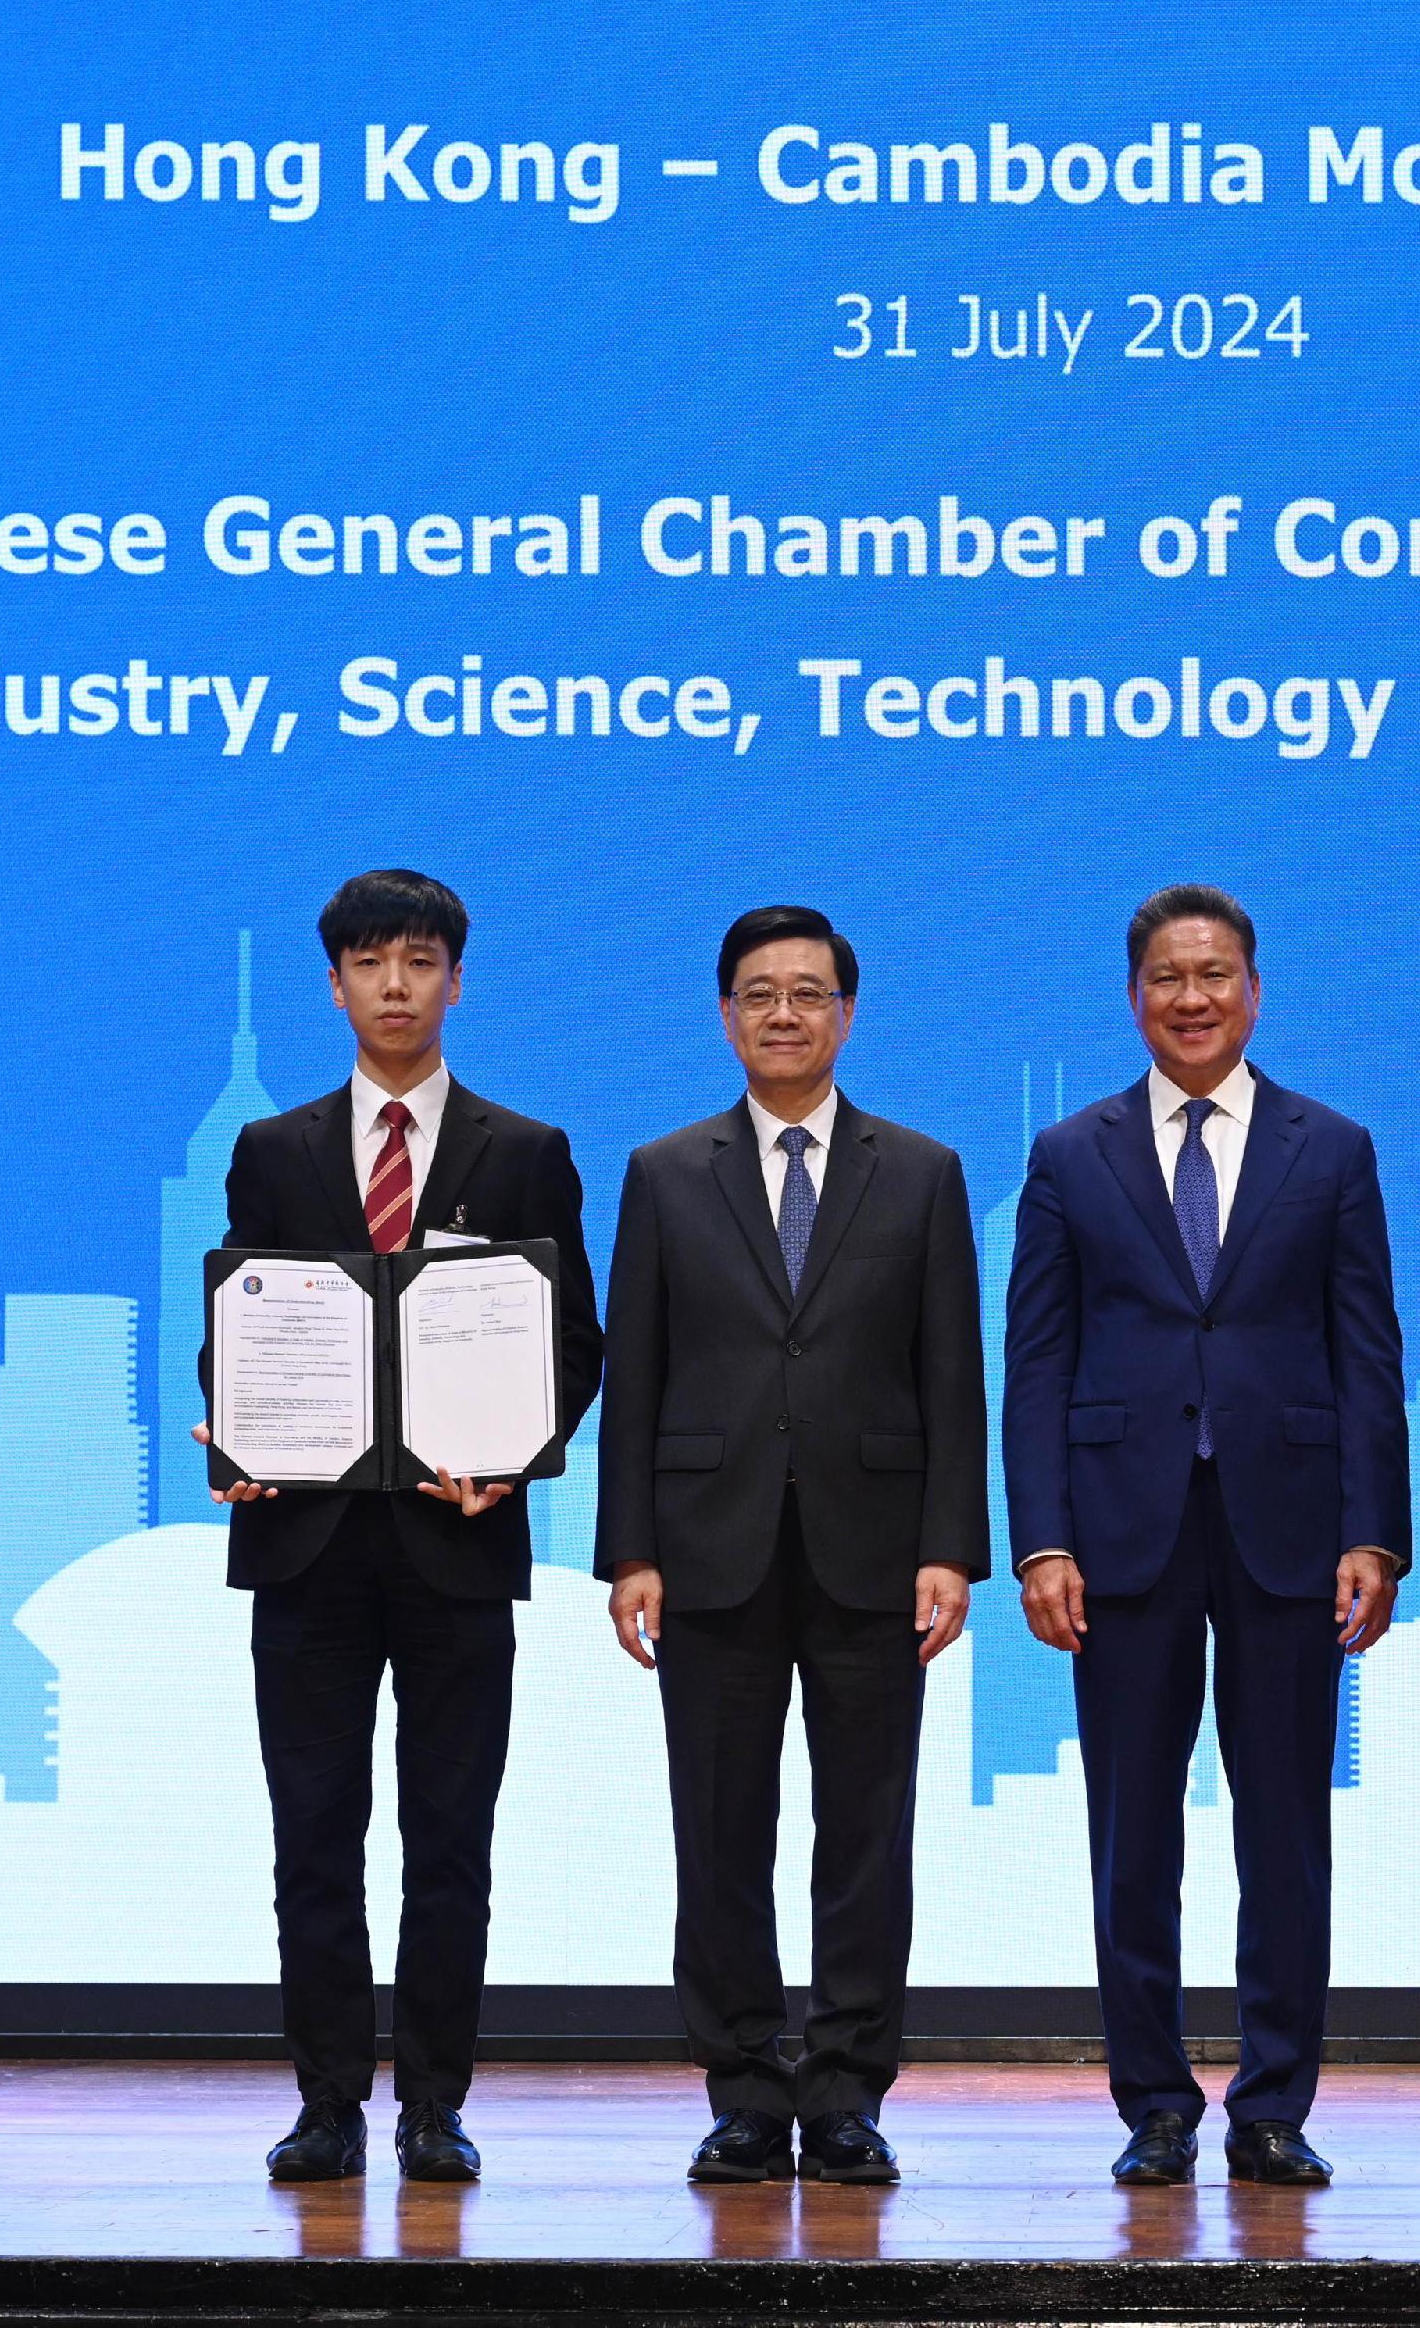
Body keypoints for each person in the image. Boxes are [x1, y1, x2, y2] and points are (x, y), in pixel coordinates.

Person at [198, 869, 603, 2188]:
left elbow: (576, 1340)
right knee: (311, 1836)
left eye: (418, 960)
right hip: (305, 1546)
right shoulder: (274, 1149)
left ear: (456, 980)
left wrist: (519, 1449)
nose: (393, 983)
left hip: (457, 1540)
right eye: (368, 961)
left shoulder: (526, 1149)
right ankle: (326, 2099)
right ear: (334, 983)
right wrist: (235, 1432)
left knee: (450, 1842)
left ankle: (434, 2101)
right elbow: (243, 1326)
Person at [1002, 884, 1410, 2188]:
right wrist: (1040, 1538)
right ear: (1135, 996)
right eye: (1170, 975)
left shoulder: (1331, 1146)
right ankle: (1155, 2105)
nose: (1193, 995)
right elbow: (1038, 1360)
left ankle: (1276, 2102)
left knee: (1284, 1827)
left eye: (1217, 972)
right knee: (1135, 1832)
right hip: (1123, 1534)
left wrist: (1377, 1531)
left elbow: (1366, 1350)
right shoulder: (1072, 1151)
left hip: (1289, 1529)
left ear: (1255, 987)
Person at [595, 906, 986, 2186]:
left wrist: (952, 1546)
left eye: (807, 993)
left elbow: (950, 1373)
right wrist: (628, 1550)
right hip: (708, 1551)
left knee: (866, 1835)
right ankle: (747, 2089)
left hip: (876, 1554)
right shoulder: (664, 1171)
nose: (782, 1014)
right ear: (725, 1016)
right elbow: (635, 1369)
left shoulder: (920, 1171)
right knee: (718, 1831)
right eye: (758, 994)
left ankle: (848, 2089)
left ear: (847, 1016)